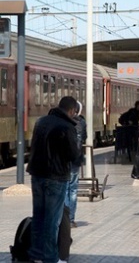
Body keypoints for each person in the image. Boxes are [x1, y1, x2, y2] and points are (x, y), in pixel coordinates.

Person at [26, 96, 79, 263]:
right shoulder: (68, 127)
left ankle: (36, 255)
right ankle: (50, 258)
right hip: (56, 178)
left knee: (38, 217)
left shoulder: (41, 122)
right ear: (71, 111)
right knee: (52, 220)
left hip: (37, 175)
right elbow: (72, 154)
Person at [65, 101, 86, 228]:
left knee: (65, 189)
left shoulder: (63, 122)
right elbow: (84, 137)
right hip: (76, 160)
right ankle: (71, 219)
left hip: (64, 160)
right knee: (73, 190)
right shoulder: (81, 123)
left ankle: (65, 218)